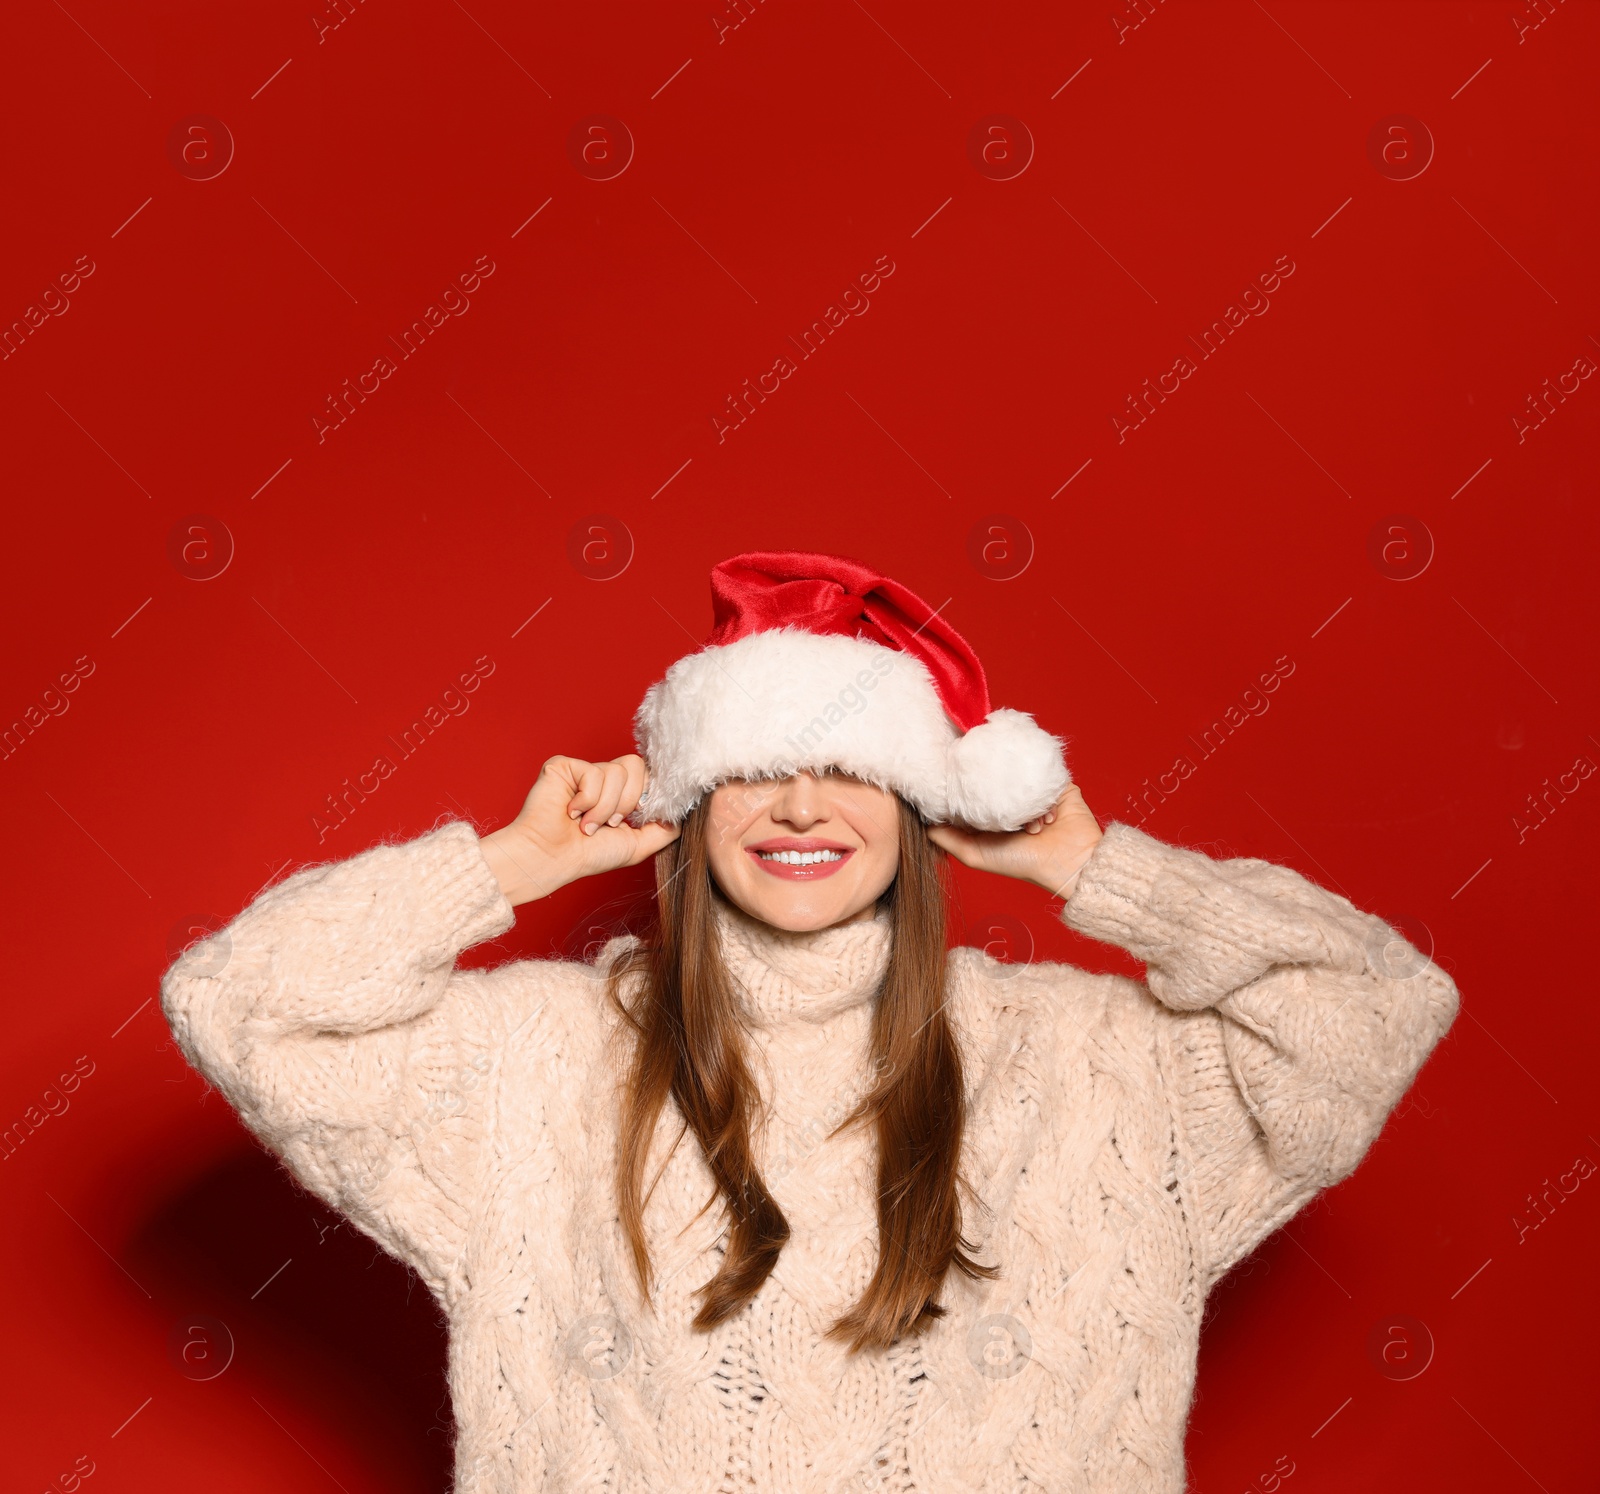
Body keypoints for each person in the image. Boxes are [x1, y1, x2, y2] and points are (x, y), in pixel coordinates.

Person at [161, 551, 1457, 1493]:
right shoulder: (537, 1063)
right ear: (688, 806)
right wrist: (506, 865)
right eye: (751, 771)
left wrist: (1095, 863)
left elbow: (1372, 1005)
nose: (798, 808)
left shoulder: (1096, 1062)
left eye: (848, 769)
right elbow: (244, 1000)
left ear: (920, 803)